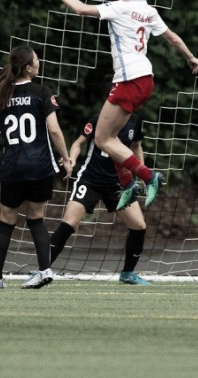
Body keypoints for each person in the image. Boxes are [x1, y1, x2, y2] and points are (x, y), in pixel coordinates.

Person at [39, 0, 198, 211]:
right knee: (112, 136)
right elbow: (173, 38)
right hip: (146, 79)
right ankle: (127, 184)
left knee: (102, 140)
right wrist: (191, 57)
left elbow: (79, 9)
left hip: (129, 80)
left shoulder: (117, 8)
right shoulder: (149, 10)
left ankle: (149, 177)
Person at [0, 45, 73, 289]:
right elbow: (54, 130)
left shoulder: (1, 95)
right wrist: (66, 159)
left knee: (6, 222)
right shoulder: (41, 92)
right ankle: (45, 270)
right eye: (36, 59)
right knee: (36, 219)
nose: (39, 62)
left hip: (13, 169)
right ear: (28, 67)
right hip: (40, 168)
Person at [49, 83, 153, 285]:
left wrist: (141, 172)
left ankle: (128, 273)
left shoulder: (135, 121)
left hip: (119, 184)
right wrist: (71, 160)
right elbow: (78, 143)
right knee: (69, 223)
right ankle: (42, 269)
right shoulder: (99, 120)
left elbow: (137, 147)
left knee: (139, 225)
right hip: (91, 179)